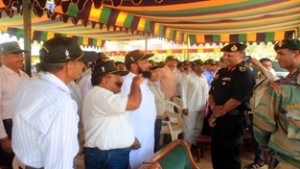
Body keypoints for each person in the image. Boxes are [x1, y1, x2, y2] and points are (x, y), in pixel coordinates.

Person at [12, 37, 98, 169]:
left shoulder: (27, 84)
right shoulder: (61, 103)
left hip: (27, 162)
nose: (83, 66)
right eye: (81, 61)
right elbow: (59, 162)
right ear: (69, 65)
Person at [82, 60, 144, 169]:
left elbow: (115, 121)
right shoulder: (99, 95)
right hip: (107, 155)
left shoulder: (106, 96)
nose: (121, 80)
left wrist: (130, 138)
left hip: (111, 154)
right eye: (117, 76)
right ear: (105, 80)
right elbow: (133, 103)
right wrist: (135, 84)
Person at [254, 39, 300, 169]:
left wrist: (274, 148)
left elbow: (262, 126)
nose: (276, 57)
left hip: (289, 161)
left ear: (296, 53)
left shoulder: (280, 87)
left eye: (281, 53)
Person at [208, 42, 255, 169]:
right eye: (225, 55)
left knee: (230, 156)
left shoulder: (244, 73)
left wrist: (217, 114)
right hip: (219, 118)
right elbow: (211, 93)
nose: (226, 57)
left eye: (230, 55)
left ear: (241, 56)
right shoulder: (221, 72)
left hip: (234, 120)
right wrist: (213, 110)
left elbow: (236, 99)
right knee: (217, 154)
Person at [120, 50, 156, 169]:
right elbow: (122, 113)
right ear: (134, 66)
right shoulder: (127, 83)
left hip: (146, 135)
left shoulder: (141, 81)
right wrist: (130, 137)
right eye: (145, 62)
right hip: (136, 137)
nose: (149, 64)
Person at [243, 57, 279, 169]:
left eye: (269, 65)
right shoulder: (256, 77)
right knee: (256, 138)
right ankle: (259, 160)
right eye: (265, 65)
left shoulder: (272, 78)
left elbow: (274, 78)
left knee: (267, 139)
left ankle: (264, 161)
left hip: (265, 113)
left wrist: (261, 66)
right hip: (253, 112)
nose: (267, 67)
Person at [0, 41, 30, 168]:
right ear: (3, 57)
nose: (21, 58)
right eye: (16, 55)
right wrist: (3, 137)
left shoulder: (25, 76)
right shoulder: (1, 76)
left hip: (25, 127)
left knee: (24, 163)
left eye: (21, 55)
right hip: (8, 127)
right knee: (10, 163)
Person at [181, 59, 208, 145]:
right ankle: (186, 148)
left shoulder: (204, 77)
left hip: (202, 106)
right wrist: (184, 106)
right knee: (189, 129)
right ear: (194, 67)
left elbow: (206, 92)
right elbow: (183, 92)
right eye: (200, 65)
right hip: (190, 106)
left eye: (203, 65)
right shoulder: (188, 77)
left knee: (198, 127)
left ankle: (194, 144)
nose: (203, 66)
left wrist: (207, 105)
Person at [148, 65, 168, 152]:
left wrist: (164, 110)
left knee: (155, 140)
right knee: (152, 142)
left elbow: (159, 100)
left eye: (158, 71)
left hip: (159, 118)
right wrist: (157, 115)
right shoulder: (146, 86)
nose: (157, 73)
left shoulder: (155, 84)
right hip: (153, 119)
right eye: (154, 72)